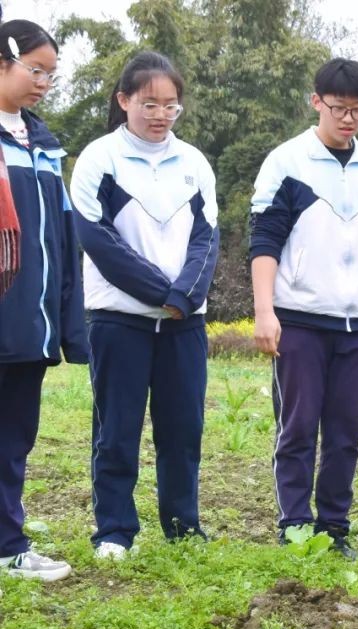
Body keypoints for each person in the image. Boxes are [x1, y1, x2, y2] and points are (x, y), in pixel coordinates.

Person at [249, 58, 358, 560]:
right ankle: (295, 526)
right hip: (299, 320)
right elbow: (265, 241)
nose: (348, 119)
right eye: (339, 108)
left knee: (346, 433)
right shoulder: (287, 163)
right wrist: (264, 311)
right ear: (316, 102)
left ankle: (335, 527)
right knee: (298, 427)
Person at [71, 51, 219, 559]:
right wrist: (164, 294)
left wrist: (185, 298)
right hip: (119, 320)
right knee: (117, 430)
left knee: (183, 430)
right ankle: (114, 530)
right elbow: (100, 242)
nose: (160, 115)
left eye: (170, 105)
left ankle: (182, 526)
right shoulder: (100, 159)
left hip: (185, 324)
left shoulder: (194, 163)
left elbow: (206, 239)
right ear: (124, 100)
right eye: (149, 104)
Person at [0, 18, 86, 582]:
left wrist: (66, 322)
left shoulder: (46, 147)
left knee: (13, 437)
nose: (44, 83)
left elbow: (62, 241)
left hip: (29, 324)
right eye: (35, 70)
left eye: (51, 75)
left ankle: (8, 544)